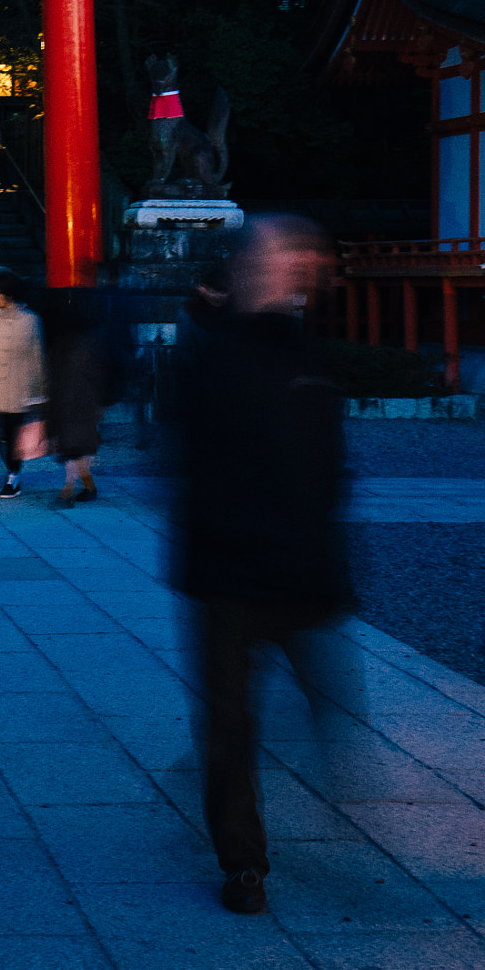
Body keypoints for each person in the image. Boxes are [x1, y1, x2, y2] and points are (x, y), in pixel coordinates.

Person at [170, 215, 347, 917]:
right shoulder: (208, 358)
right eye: (280, 260)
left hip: (301, 568)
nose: (294, 271)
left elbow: (332, 468)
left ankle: (342, 791)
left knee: (324, 706)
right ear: (246, 271)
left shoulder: (309, 356)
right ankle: (244, 862)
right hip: (227, 574)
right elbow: (193, 472)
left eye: (301, 260)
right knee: (229, 725)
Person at [0, 266, 47, 498]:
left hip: (18, 388)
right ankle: (10, 469)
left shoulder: (31, 320)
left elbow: (37, 356)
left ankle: (13, 476)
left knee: (13, 432)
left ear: (9, 294)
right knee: (2, 435)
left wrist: (41, 391)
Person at [44, 289, 104, 507]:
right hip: (79, 404)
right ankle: (88, 486)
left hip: (71, 404)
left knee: (73, 449)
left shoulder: (62, 344)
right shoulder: (89, 342)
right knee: (76, 449)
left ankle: (67, 491)